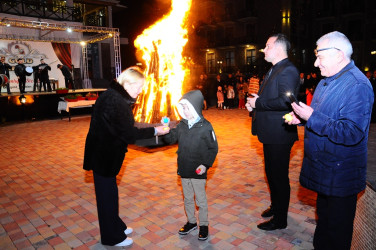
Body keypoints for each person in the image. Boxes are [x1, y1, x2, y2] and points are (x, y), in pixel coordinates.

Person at [285, 31, 374, 250]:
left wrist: (312, 117)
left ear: (338, 55)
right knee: (324, 224)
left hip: (341, 175)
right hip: (326, 171)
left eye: (320, 57)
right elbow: (325, 117)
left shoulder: (356, 85)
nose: (316, 63)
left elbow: (352, 132)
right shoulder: (329, 81)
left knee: (336, 232)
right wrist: (303, 119)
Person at [83, 67, 170, 247]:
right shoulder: (116, 101)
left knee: (110, 194)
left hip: (104, 155)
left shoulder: (113, 96)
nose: (141, 91)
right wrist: (156, 130)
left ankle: (116, 226)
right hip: (104, 156)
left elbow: (122, 126)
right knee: (107, 198)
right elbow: (129, 133)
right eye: (139, 87)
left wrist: (153, 128)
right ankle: (111, 237)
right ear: (128, 83)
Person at [246, 33, 300, 231]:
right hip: (271, 132)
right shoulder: (275, 69)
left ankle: (280, 219)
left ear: (278, 48)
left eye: (267, 46)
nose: (264, 49)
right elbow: (269, 97)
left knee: (278, 176)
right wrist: (255, 105)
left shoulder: (288, 70)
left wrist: (259, 103)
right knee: (271, 173)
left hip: (279, 134)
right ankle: (276, 206)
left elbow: (287, 101)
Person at [163, 89, 218, 241]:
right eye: (183, 108)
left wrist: (206, 165)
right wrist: (166, 130)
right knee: (187, 198)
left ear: (195, 106)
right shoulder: (181, 125)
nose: (185, 111)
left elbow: (213, 148)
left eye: (187, 107)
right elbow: (170, 139)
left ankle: (204, 225)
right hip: (184, 169)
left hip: (198, 170)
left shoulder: (206, 126)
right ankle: (191, 222)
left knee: (200, 199)